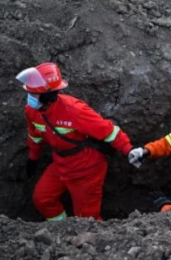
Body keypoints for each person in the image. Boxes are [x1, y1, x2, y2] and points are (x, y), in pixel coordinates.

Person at [17, 63, 133, 221]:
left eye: (34, 94)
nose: (30, 97)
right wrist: (33, 158)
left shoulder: (74, 110)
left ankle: (89, 242)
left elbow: (109, 131)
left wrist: (129, 150)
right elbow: (34, 136)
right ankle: (63, 231)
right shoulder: (31, 111)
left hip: (87, 169)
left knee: (86, 220)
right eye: (30, 92)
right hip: (61, 163)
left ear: (49, 95)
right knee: (43, 199)